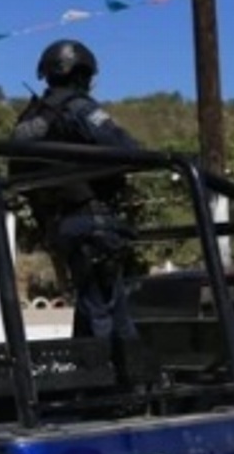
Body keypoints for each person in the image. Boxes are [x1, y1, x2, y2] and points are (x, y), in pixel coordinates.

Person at [11, 38, 141, 344]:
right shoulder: (79, 109)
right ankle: (120, 384)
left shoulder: (27, 122)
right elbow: (125, 149)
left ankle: (91, 381)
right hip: (93, 222)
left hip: (58, 227)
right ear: (82, 74)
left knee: (90, 305)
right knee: (108, 314)